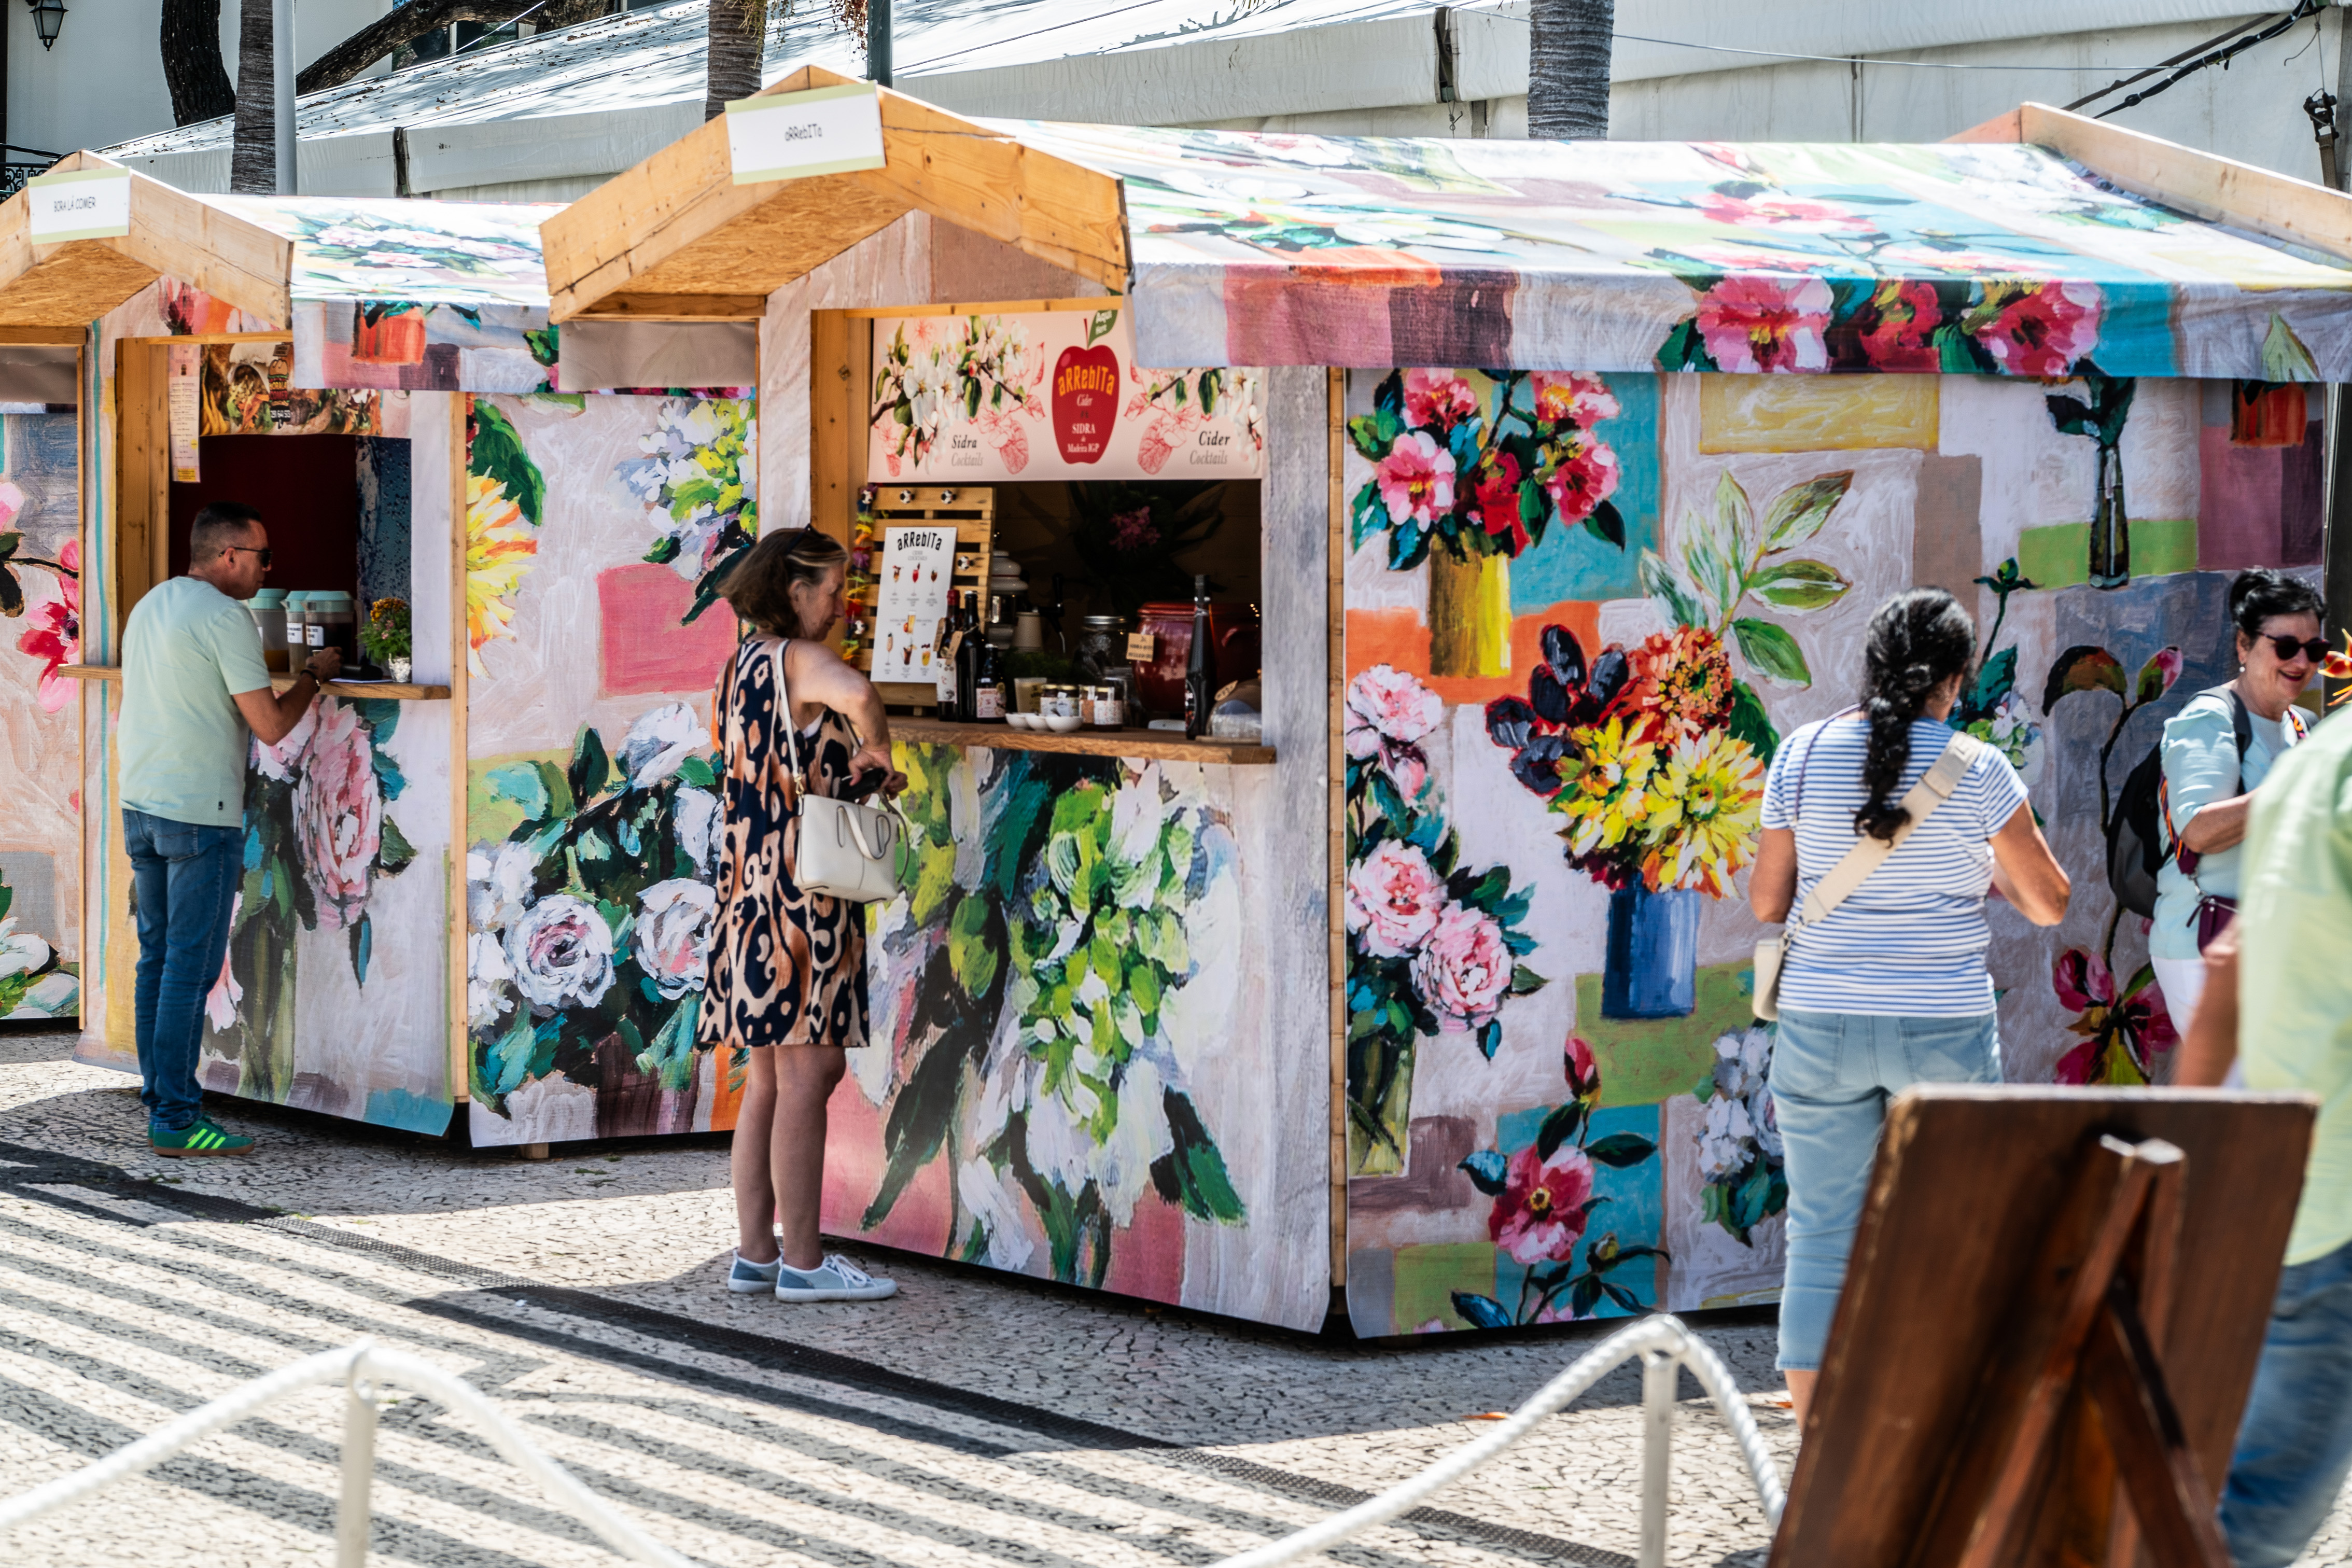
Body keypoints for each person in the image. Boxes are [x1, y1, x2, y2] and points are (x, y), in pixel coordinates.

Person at [1748, 588, 2070, 1424]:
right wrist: (1971, 869)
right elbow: (2048, 903)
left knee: (1820, 1237)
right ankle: (1933, 1436)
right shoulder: (1978, 766)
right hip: (1941, 1024)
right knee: (1955, 1230)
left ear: (1873, 661)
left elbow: (1766, 899)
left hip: (1820, 1019)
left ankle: (1825, 1455)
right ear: (1956, 679)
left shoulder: (1800, 752)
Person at [704, 529, 907, 1304]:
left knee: (769, 1072)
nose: (842, 602)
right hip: (802, 891)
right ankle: (807, 1263)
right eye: (830, 587)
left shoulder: (738, 666)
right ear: (794, 591)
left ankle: (757, 1254)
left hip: (747, 879)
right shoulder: (801, 660)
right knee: (808, 1068)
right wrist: (879, 750)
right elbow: (857, 695)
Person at [2176, 699, 2352, 1566]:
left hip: (2284, 1177)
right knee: (2267, 1504)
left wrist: (2193, 1163)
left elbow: (2227, 965)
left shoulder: (2315, 758)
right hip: (2335, 1190)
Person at [119, 501, 339, 1157]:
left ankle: (160, 1096)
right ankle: (178, 1120)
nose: (270, 567)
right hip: (198, 813)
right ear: (230, 557)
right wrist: (313, 677)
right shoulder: (226, 617)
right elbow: (272, 726)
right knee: (190, 966)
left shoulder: (154, 601)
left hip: (143, 804)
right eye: (263, 556)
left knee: (158, 958)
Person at [2146, 569, 2322, 1045]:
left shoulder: (2302, 726)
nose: (2301, 661)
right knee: (2247, 1109)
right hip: (2208, 946)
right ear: (2244, 647)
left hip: (2274, 948)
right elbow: (2199, 830)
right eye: (2285, 647)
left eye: (2315, 650)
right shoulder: (2211, 717)